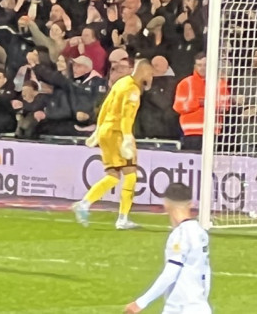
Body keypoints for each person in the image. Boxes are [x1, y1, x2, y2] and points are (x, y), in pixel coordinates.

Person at [72, 58, 154, 229]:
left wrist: (98, 128)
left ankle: (84, 203)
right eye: (151, 73)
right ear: (144, 71)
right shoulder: (132, 89)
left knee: (113, 176)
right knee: (130, 174)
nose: (151, 77)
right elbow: (126, 116)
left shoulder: (121, 82)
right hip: (117, 132)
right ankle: (122, 219)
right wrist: (126, 137)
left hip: (106, 131)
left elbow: (105, 106)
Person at [124, 182, 211, 313]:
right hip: (200, 307)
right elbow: (206, 272)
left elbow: (171, 272)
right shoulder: (200, 232)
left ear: (166, 204)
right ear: (190, 204)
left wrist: (140, 303)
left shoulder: (180, 234)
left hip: (180, 308)